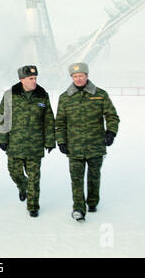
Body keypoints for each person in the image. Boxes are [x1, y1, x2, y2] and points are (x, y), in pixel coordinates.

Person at [55, 62, 120, 222]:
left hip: (95, 145)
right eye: (75, 76)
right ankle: (78, 208)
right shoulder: (65, 98)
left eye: (81, 76)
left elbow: (112, 116)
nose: (78, 79)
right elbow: (60, 122)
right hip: (74, 146)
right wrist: (61, 141)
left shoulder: (100, 94)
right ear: (71, 77)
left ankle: (92, 202)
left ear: (87, 76)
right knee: (76, 178)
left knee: (94, 176)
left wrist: (111, 132)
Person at [0, 65, 55, 218]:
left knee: (34, 177)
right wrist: (1, 138)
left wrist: (50, 141)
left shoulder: (42, 95)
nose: (34, 81)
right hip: (15, 143)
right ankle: (23, 186)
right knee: (14, 172)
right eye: (30, 79)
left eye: (35, 78)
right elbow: (2, 117)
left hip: (35, 144)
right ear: (22, 80)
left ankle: (33, 206)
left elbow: (48, 120)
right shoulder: (10, 95)